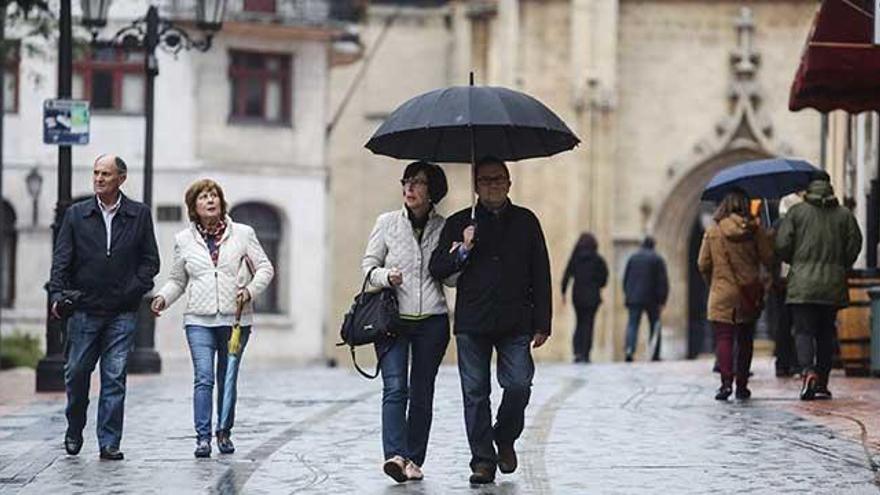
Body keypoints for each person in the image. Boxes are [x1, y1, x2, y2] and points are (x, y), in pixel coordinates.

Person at [429, 156, 551, 485]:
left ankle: (505, 435)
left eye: (498, 179)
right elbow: (437, 268)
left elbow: (541, 271)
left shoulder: (527, 220)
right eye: (485, 180)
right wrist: (463, 248)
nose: (492, 185)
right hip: (473, 320)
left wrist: (543, 322)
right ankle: (482, 460)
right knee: (475, 393)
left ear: (509, 184)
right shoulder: (459, 222)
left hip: (515, 320)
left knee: (519, 384)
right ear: (475, 186)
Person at [151, 179, 274, 457]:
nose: (210, 200)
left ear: (221, 202)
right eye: (204, 197)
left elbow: (265, 268)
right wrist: (163, 298)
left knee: (227, 377)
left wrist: (250, 291)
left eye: (214, 195)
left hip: (236, 321)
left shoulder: (243, 234)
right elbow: (177, 280)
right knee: (204, 378)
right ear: (194, 206)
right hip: (198, 320)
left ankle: (224, 432)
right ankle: (203, 437)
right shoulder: (183, 240)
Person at [48, 154, 160, 461]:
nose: (99, 178)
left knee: (114, 377)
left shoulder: (138, 214)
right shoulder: (76, 214)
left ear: (121, 178)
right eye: (96, 173)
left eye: (106, 174)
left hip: (121, 313)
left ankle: (109, 442)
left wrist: (131, 291)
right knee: (77, 373)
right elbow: (61, 259)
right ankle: (74, 427)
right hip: (84, 309)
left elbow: (151, 261)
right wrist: (58, 294)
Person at [362, 161, 450, 483]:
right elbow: (368, 268)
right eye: (407, 182)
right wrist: (387, 275)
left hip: (433, 321)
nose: (409, 188)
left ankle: (413, 459)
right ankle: (395, 456)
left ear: (433, 191)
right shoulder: (386, 223)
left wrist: (463, 253)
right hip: (393, 319)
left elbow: (451, 280)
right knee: (395, 388)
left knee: (422, 390)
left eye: (418, 183)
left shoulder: (445, 227)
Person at [775, 175, 862, 400]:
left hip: (802, 284)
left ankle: (807, 371)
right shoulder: (844, 215)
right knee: (825, 333)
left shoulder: (796, 213)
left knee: (803, 331)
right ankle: (822, 383)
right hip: (832, 284)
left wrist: (794, 259)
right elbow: (855, 244)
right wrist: (841, 264)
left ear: (808, 188)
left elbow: (783, 245)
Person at [698, 190, 773, 400]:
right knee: (745, 338)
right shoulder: (755, 229)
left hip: (721, 291)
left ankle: (725, 384)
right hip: (747, 291)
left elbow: (702, 263)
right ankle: (742, 385)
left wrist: (713, 282)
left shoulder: (714, 231)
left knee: (724, 337)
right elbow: (768, 258)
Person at [561, 232, 608, 363]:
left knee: (579, 323)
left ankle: (577, 352)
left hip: (578, 295)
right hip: (593, 296)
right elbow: (604, 279)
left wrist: (563, 293)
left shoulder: (575, 258)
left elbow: (567, 275)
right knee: (588, 324)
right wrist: (597, 284)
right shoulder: (598, 260)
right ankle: (585, 353)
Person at [622, 236, 669, 361]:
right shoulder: (657, 259)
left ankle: (629, 350)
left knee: (632, 325)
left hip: (633, 298)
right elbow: (662, 282)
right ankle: (654, 353)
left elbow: (625, 279)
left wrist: (627, 294)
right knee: (655, 325)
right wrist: (662, 300)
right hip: (652, 299)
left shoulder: (633, 258)